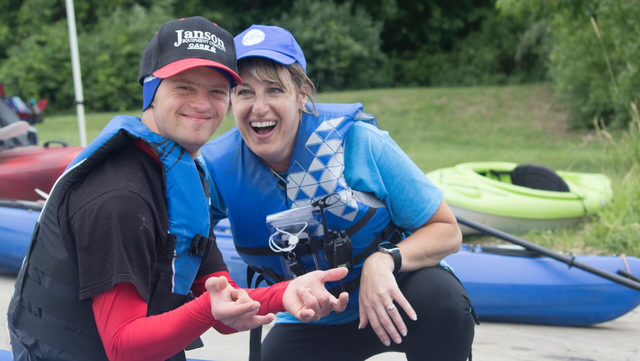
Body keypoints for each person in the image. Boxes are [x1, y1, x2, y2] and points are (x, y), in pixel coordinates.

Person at [6, 17, 349, 361]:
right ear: (152, 91)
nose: (202, 104)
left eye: (216, 91)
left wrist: (287, 291)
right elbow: (123, 347)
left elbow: (223, 304)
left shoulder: (180, 173)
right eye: (184, 87)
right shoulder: (120, 196)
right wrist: (207, 310)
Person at [200, 25, 478, 361]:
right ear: (230, 100)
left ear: (302, 94)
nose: (259, 108)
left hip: (395, 293)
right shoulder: (216, 168)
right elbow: (188, 244)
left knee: (443, 303)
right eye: (244, 92)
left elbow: (447, 231)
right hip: (310, 319)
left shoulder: (359, 142)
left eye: (274, 90)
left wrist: (384, 259)